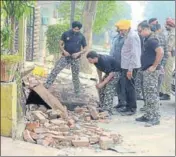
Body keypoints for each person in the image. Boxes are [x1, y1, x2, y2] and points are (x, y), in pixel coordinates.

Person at [44, 21, 87, 96]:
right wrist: (64, 51)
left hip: (75, 58)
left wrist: (79, 53)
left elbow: (85, 48)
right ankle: (47, 85)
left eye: (78, 29)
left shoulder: (81, 36)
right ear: (72, 27)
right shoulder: (66, 33)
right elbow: (60, 44)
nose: (76, 30)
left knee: (75, 76)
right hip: (65, 57)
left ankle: (77, 92)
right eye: (75, 29)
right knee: (55, 70)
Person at [136, 22, 163, 127]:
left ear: (146, 29)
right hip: (146, 70)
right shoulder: (147, 39)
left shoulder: (152, 40)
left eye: (140, 31)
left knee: (152, 95)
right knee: (147, 95)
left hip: (151, 71)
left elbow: (160, 52)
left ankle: (155, 117)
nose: (139, 33)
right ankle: (148, 115)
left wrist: (154, 66)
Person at [115, 20, 141, 115]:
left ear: (126, 28)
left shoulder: (132, 36)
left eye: (121, 30)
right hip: (126, 65)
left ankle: (132, 108)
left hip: (131, 66)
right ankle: (127, 106)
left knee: (130, 87)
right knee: (126, 87)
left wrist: (130, 69)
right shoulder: (128, 35)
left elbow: (134, 54)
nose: (120, 32)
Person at [87, 51, 120, 115]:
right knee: (101, 88)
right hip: (109, 73)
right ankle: (102, 106)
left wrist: (102, 83)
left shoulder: (104, 61)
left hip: (115, 73)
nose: (89, 62)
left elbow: (111, 74)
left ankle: (108, 110)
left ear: (95, 58)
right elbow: (98, 69)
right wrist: (100, 81)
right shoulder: (96, 61)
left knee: (109, 89)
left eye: (90, 60)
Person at [109, 24, 125, 109]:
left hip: (123, 64)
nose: (118, 29)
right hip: (115, 63)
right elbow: (112, 50)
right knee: (118, 84)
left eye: (119, 28)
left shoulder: (126, 39)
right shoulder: (116, 37)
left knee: (123, 84)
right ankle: (120, 102)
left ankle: (124, 103)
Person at [160, 18, 175, 100]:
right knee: (164, 73)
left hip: (170, 56)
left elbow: (169, 46)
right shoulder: (170, 33)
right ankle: (163, 91)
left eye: (166, 25)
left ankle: (167, 93)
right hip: (167, 55)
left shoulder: (173, 34)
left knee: (167, 74)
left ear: (170, 25)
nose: (165, 26)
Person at [154, 24, 169, 96]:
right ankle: (156, 99)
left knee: (153, 84)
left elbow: (165, 52)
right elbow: (166, 52)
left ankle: (154, 101)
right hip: (159, 64)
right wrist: (163, 64)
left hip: (154, 64)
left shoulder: (153, 37)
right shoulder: (163, 36)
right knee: (158, 83)